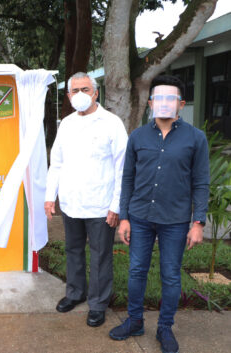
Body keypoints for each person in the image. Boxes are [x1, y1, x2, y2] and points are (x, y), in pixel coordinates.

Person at [109, 75, 209, 353]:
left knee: (170, 275)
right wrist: (125, 217)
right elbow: (127, 178)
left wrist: (198, 222)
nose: (164, 103)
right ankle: (135, 321)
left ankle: (165, 328)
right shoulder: (138, 136)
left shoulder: (195, 138)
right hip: (139, 216)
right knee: (137, 271)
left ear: (181, 104)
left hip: (175, 221)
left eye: (171, 98)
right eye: (159, 98)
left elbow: (200, 182)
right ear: (151, 103)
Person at [45, 72, 128, 327]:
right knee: (73, 250)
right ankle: (75, 293)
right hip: (71, 202)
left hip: (101, 205)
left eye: (85, 89)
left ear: (95, 92)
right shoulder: (67, 123)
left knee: (101, 255)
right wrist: (50, 197)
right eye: (75, 90)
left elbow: (122, 167)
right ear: (68, 96)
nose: (80, 94)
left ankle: (98, 303)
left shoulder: (111, 123)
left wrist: (116, 205)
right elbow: (56, 162)